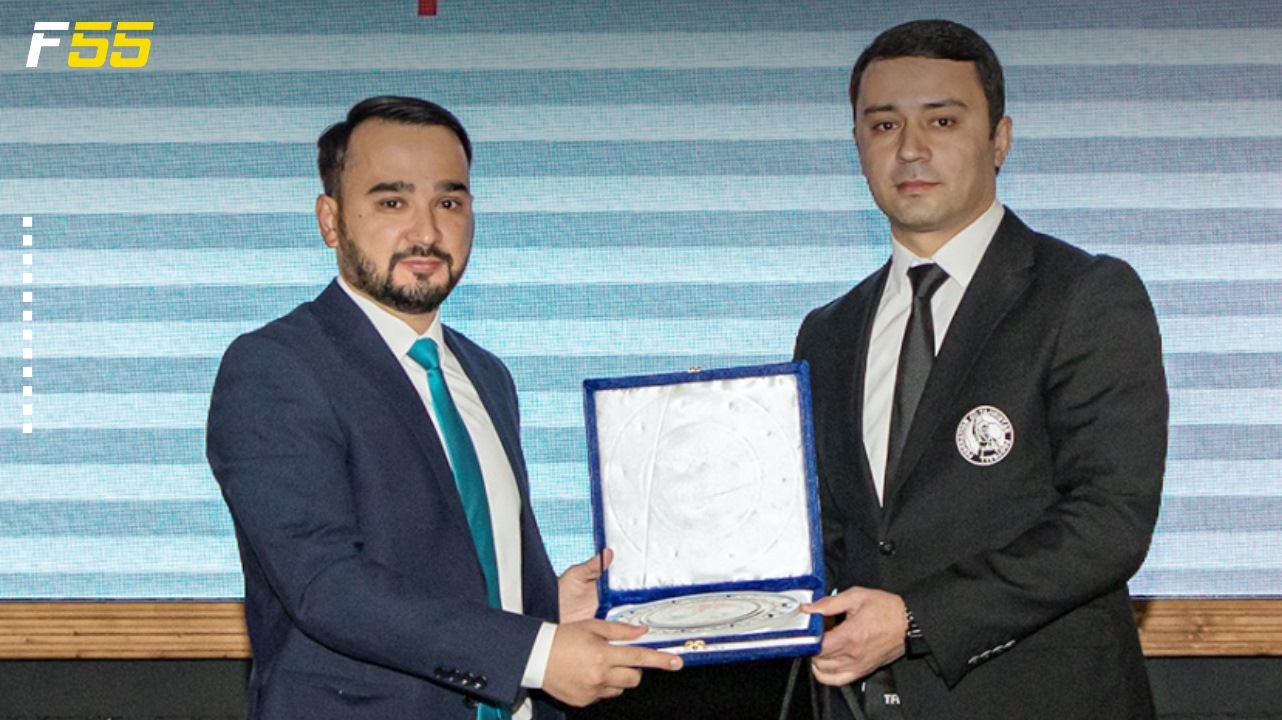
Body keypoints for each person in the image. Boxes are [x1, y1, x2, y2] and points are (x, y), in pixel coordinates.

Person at [207, 96, 681, 720]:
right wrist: (536, 652)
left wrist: (543, 608)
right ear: (330, 220)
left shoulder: (486, 375)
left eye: (449, 203)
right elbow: (326, 586)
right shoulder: (276, 367)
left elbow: (453, 565)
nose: (427, 232)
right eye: (392, 202)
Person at [793, 20, 1167, 719]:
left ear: (999, 139)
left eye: (942, 120)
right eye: (883, 125)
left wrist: (914, 619)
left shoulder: (1083, 295)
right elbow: (827, 535)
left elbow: (1109, 521)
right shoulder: (828, 332)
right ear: (857, 146)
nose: (910, 148)